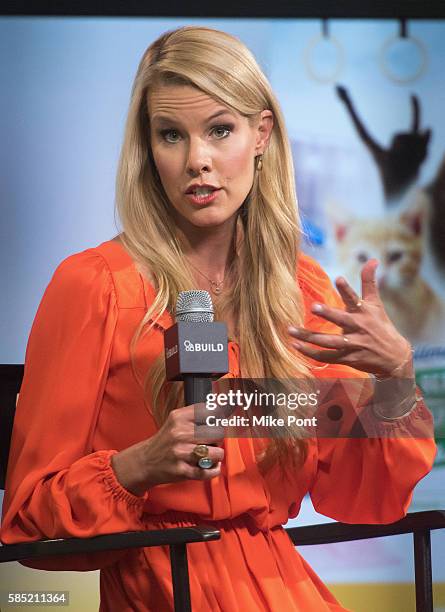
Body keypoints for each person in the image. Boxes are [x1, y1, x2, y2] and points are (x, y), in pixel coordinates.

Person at [1, 25, 436, 612]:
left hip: (284, 590)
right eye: (171, 135)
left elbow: (367, 494)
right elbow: (28, 520)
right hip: (161, 589)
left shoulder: (302, 292)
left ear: (262, 135)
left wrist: (395, 382)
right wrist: (137, 466)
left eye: (220, 130)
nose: (197, 161)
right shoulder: (94, 287)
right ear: (147, 148)